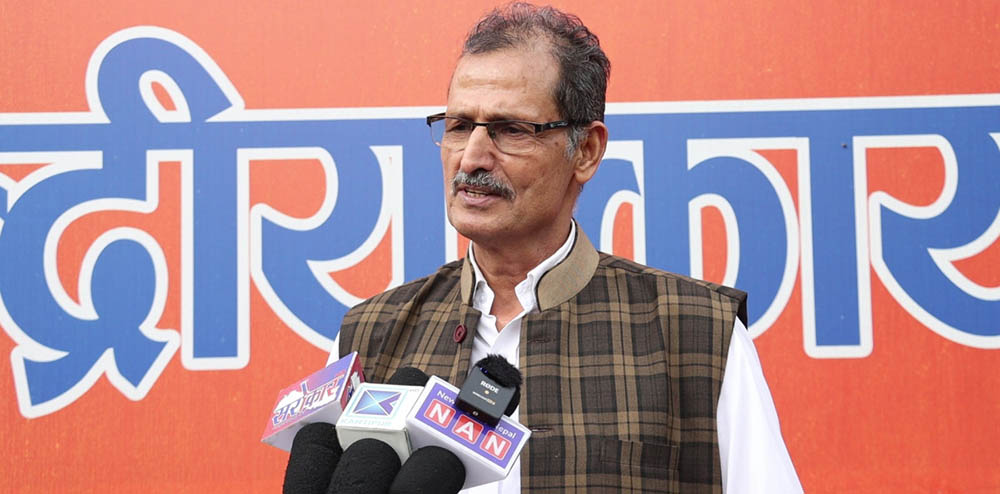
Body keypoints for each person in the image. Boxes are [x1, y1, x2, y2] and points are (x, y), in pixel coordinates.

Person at [336, 3, 802, 492]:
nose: (471, 157)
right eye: (458, 126)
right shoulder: (371, 335)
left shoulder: (697, 334)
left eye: (511, 129)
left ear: (586, 151)